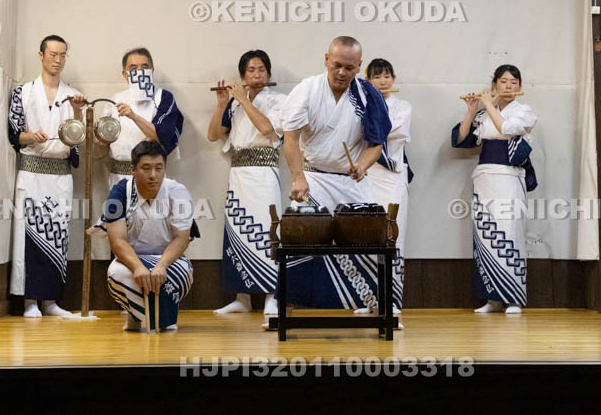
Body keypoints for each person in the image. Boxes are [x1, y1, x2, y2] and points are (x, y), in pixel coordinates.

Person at [279, 36, 391, 312]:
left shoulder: (368, 95)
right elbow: (290, 138)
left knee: (369, 240)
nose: (342, 73)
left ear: (359, 67)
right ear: (326, 60)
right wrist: (298, 178)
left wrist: (362, 165)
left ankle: (373, 306)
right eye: (337, 65)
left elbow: (376, 144)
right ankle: (291, 307)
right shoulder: (307, 90)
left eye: (349, 68)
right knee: (298, 241)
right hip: (313, 178)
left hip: (351, 181)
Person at [7, 35, 86, 318]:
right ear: (41, 55)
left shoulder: (73, 95)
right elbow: (14, 133)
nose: (58, 59)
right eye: (53, 54)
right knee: (27, 236)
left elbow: (77, 138)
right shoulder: (23, 93)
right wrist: (30, 136)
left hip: (60, 175)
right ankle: (30, 301)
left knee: (58, 236)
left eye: (63, 55)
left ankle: (51, 301)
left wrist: (77, 110)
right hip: (31, 171)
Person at [451, 64, 537, 315]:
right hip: (485, 178)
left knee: (510, 233)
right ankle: (492, 298)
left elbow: (508, 129)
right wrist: (471, 111)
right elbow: (460, 140)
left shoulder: (525, 112)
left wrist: (488, 104)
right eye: (503, 82)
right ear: (494, 85)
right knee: (486, 236)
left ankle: (513, 298)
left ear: (519, 86)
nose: (508, 86)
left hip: (509, 178)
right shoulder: (482, 114)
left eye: (513, 82)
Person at [207, 50, 286, 316]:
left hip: (264, 173)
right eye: (251, 70)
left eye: (261, 70)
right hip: (238, 173)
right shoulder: (234, 103)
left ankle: (272, 296)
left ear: (269, 73)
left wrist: (244, 99)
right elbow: (213, 135)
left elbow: (267, 130)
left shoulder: (279, 100)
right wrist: (222, 104)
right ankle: (241, 297)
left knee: (267, 231)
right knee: (239, 230)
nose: (256, 75)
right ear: (242, 76)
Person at [94, 140, 198, 332]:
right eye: (146, 168)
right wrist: (138, 267)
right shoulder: (118, 193)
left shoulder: (178, 192)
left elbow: (181, 238)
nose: (153, 175)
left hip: (168, 260)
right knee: (117, 274)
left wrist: (161, 266)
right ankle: (137, 316)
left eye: (159, 168)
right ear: (133, 169)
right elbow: (117, 241)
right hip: (131, 260)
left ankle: (163, 318)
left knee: (183, 272)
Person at [355, 58, 412, 317]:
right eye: (377, 77)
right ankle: (368, 299)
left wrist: (370, 119)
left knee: (393, 235)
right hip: (368, 174)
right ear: (368, 81)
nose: (383, 81)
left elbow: (384, 131)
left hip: (393, 175)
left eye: (387, 76)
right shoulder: (360, 106)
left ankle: (392, 299)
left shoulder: (403, 107)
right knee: (366, 235)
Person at [97, 47, 183, 190]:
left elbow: (163, 136)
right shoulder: (115, 100)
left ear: (152, 70)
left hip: (150, 176)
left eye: (145, 67)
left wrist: (133, 116)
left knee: (151, 212)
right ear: (125, 74)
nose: (140, 72)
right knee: (119, 212)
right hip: (118, 176)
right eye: (133, 68)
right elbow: (101, 145)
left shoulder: (163, 97)